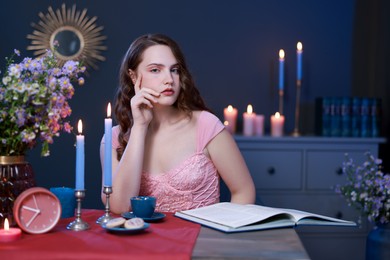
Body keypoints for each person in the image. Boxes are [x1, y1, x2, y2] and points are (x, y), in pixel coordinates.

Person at [100, 33, 255, 214]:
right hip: (142, 241)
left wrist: (222, 235)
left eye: (174, 70)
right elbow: (119, 207)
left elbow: (244, 191)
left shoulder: (206, 125)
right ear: (133, 77)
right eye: (156, 70)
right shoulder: (113, 139)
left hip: (201, 240)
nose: (169, 79)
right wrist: (139, 128)